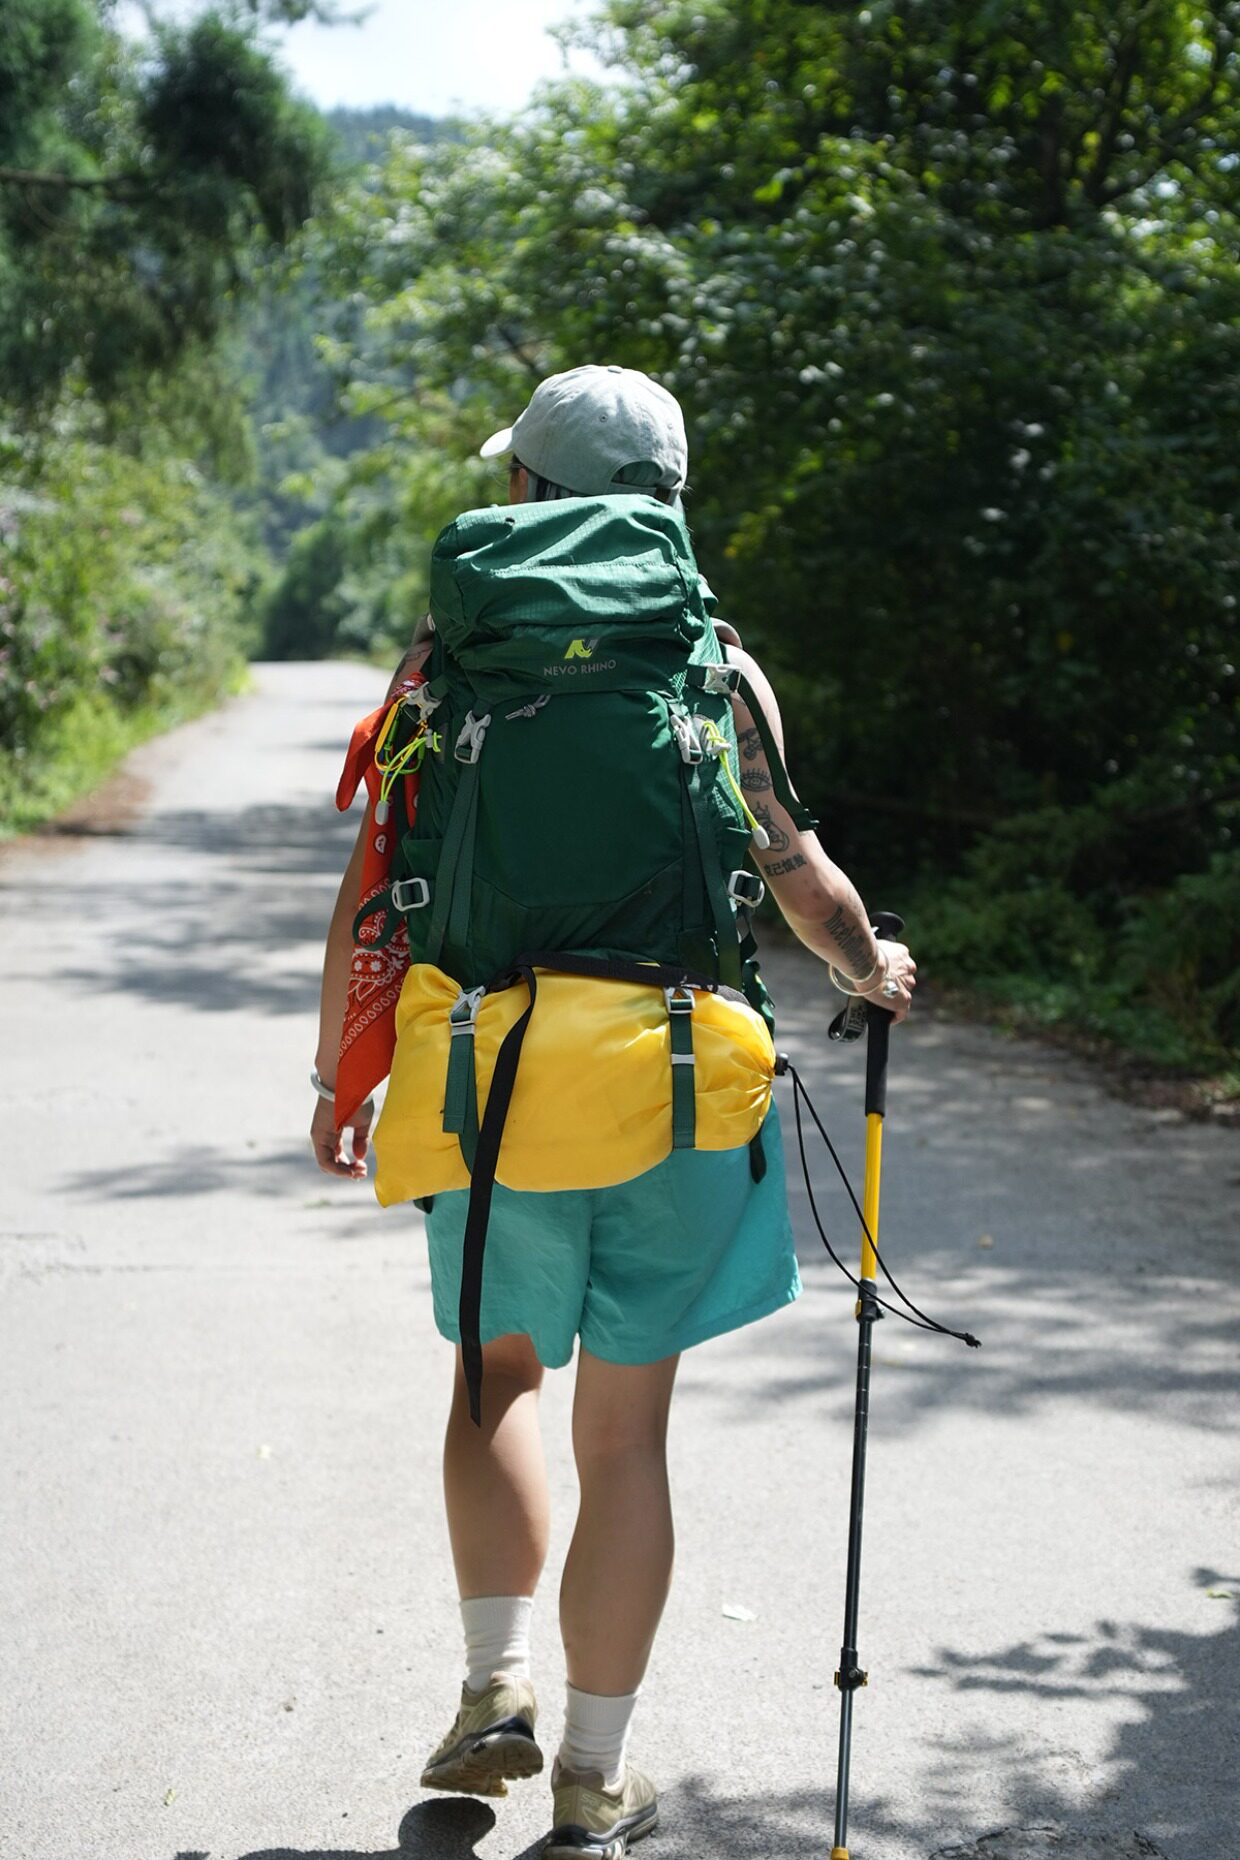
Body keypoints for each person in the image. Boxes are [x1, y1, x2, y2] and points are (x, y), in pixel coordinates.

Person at [310, 364, 917, 1859]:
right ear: (671, 499)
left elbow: (379, 880)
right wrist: (870, 964)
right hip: (676, 1084)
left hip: (489, 1073)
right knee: (628, 1437)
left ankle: (492, 1683)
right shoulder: (717, 664)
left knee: (497, 1380)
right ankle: (592, 1772)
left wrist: (342, 1072)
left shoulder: (445, 658)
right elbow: (793, 870)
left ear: (527, 488)